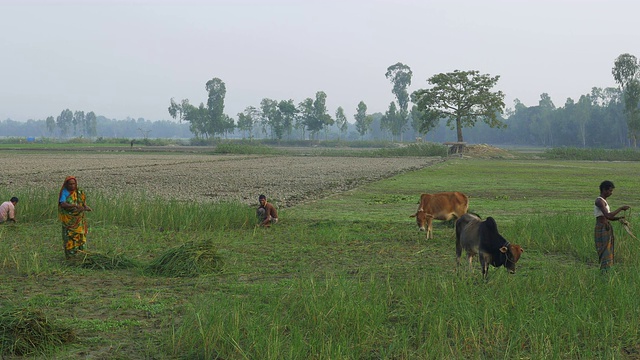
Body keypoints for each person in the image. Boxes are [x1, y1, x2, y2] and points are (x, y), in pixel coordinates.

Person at [594, 180, 630, 272]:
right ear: (604, 190)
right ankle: (604, 271)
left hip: (605, 227)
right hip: (601, 228)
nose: (611, 193)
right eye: (610, 191)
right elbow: (608, 216)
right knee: (604, 249)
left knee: (608, 249)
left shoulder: (604, 201)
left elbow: (608, 217)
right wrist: (621, 208)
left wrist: (619, 218)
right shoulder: (599, 201)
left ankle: (607, 270)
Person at [58, 176, 92, 259]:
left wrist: (85, 208)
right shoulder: (65, 192)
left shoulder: (78, 192)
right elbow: (62, 204)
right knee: (70, 237)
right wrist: (73, 205)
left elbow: (82, 203)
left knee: (80, 235)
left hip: (78, 219)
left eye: (74, 184)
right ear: (66, 185)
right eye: (70, 184)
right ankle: (71, 257)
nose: (72, 186)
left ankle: (81, 254)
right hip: (69, 220)